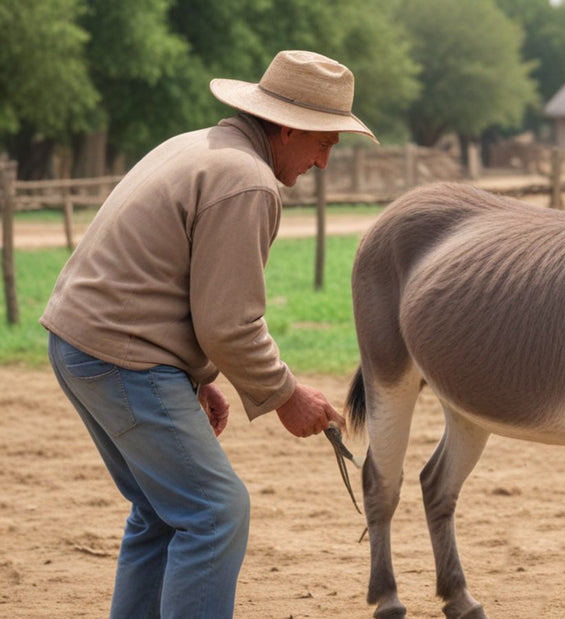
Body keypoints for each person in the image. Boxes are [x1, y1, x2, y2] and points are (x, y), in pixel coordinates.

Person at [40, 50, 377, 618]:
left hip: (81, 343)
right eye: (323, 143)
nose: (323, 162)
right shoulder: (248, 181)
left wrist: (194, 377)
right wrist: (287, 396)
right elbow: (229, 324)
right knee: (215, 512)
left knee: (162, 510)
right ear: (288, 128)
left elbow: (173, 286)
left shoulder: (197, 146)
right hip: (123, 357)